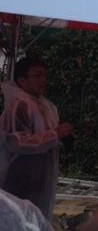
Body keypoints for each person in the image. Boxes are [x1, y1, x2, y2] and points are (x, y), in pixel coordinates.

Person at [0, 56, 74, 222]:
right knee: (18, 221)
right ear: (22, 80)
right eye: (37, 75)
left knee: (37, 220)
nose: (44, 79)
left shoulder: (47, 106)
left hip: (40, 179)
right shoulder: (19, 106)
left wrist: (63, 138)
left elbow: (45, 137)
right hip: (17, 179)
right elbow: (19, 143)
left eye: (45, 74)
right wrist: (56, 134)